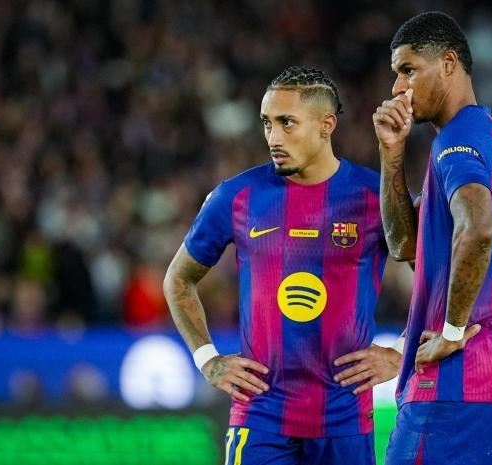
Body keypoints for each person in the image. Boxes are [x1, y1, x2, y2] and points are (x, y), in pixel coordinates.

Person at [164, 65, 400, 465]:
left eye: (287, 122)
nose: (273, 137)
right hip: (260, 416)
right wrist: (208, 360)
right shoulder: (236, 196)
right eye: (267, 123)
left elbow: (437, 275)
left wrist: (401, 352)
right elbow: (178, 280)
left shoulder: (374, 197)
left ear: (326, 125)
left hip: (344, 419)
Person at [373, 11, 492, 465]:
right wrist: (391, 155)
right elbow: (405, 246)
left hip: (455, 383)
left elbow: (479, 228)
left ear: (448, 64)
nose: (397, 87)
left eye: (408, 69)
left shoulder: (456, 141)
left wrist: (451, 331)